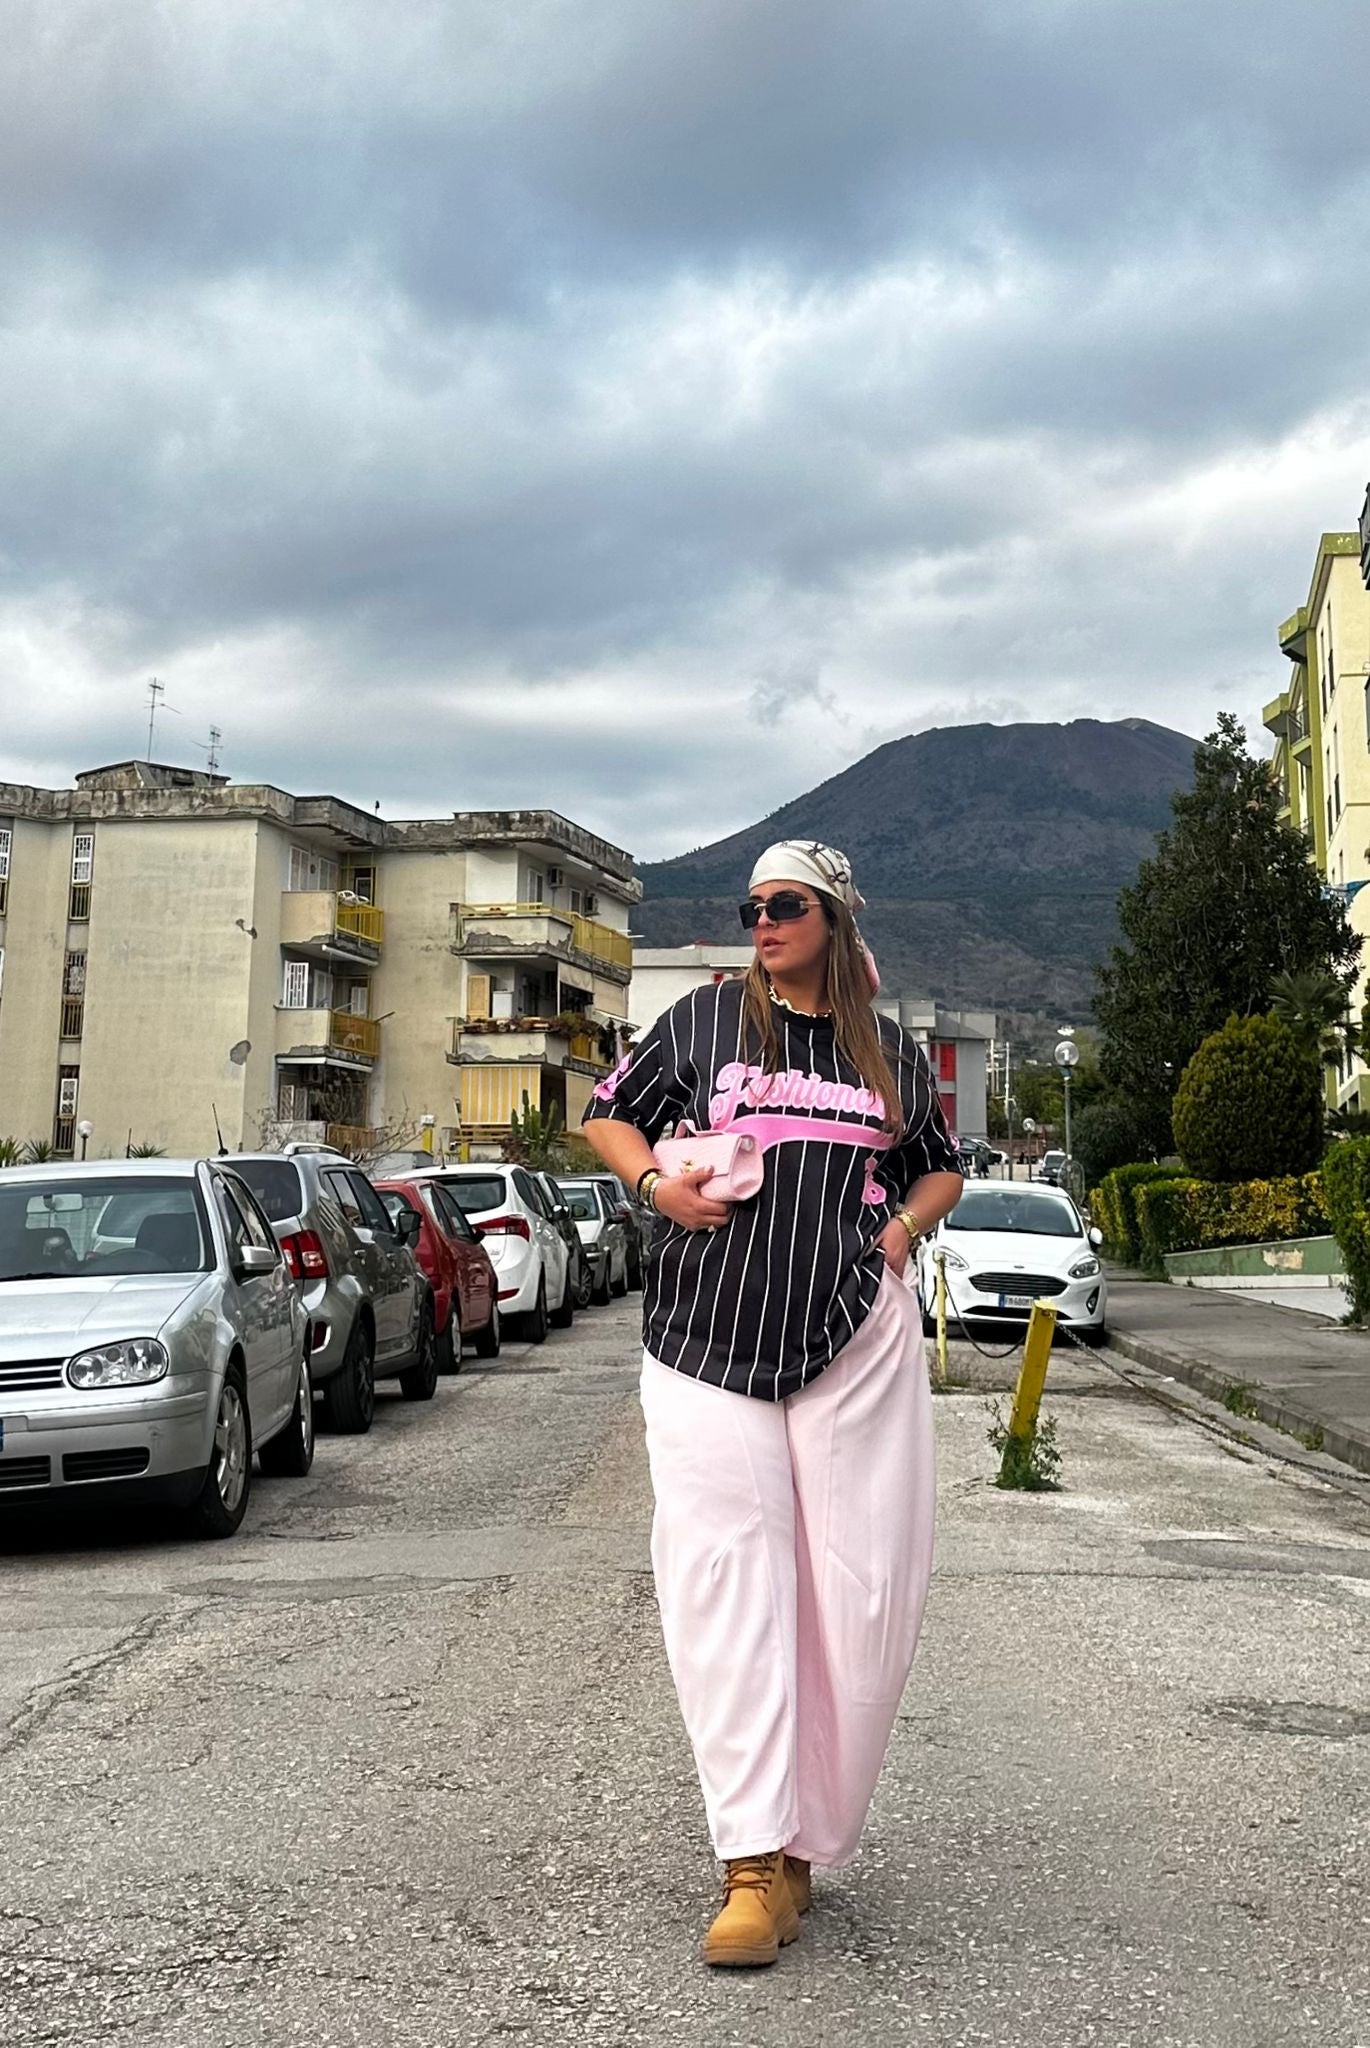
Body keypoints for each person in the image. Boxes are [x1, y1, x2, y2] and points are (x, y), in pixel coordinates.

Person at [582, 840, 963, 1968]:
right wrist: (653, 1183)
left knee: (857, 1593)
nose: (763, 920)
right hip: (703, 1337)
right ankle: (751, 1862)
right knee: (725, 1586)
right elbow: (607, 1114)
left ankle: (806, 1845)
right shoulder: (701, 1022)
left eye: (785, 904)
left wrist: (900, 1231)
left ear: (834, 918)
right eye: (751, 905)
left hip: (851, 1338)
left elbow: (939, 1164)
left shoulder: (888, 1051)